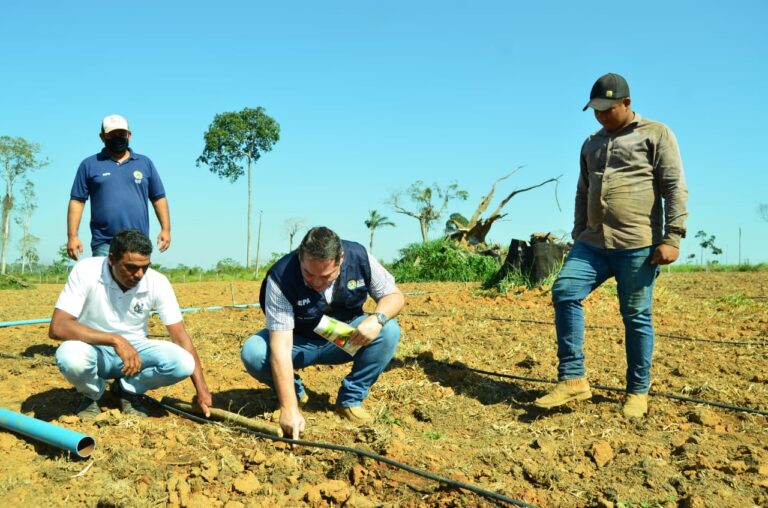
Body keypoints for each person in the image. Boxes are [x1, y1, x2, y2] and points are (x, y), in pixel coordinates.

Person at [534, 73, 688, 418]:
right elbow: (582, 190)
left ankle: (637, 391)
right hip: (592, 243)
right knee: (564, 291)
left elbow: (674, 187)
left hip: (637, 244)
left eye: (607, 109)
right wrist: (578, 230)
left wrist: (672, 236)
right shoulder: (591, 143)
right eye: (596, 110)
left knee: (635, 316)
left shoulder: (656, 134)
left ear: (627, 104)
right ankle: (573, 379)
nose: (601, 115)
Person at [242, 226, 404, 438]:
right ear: (301, 257)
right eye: (309, 274)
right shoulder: (280, 277)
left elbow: (394, 296)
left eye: (326, 276)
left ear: (341, 259)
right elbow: (281, 347)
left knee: (389, 331)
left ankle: (350, 400)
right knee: (253, 352)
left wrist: (377, 318)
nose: (317, 282)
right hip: (299, 342)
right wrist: (289, 408)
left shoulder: (359, 257)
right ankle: (295, 394)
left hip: (343, 337)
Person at [50, 229, 212, 420]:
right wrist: (115, 340)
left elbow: (180, 337)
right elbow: (58, 326)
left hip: (134, 357)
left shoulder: (157, 281)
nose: (140, 274)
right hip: (93, 350)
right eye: (131, 267)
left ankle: (127, 389)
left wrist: (202, 390)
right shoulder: (86, 271)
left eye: (145, 267)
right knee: (71, 357)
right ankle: (93, 393)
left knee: (183, 362)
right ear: (111, 259)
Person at [67, 114, 171, 260]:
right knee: (103, 283)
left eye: (121, 134)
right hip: (104, 243)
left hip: (138, 242)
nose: (118, 137)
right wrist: (72, 236)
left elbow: (158, 198)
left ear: (129, 135)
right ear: (102, 137)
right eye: (112, 134)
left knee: (138, 282)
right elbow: (77, 201)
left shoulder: (145, 163)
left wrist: (166, 229)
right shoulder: (89, 165)